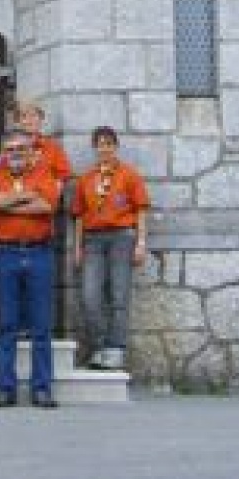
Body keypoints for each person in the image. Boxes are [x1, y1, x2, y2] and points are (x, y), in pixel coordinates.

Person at [0, 125, 62, 407]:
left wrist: (8, 204)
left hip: (39, 252)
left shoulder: (44, 174)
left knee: (41, 324)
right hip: (5, 253)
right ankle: (5, 388)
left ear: (31, 152)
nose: (15, 153)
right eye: (10, 149)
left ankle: (42, 388)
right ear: (3, 153)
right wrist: (27, 196)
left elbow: (47, 207)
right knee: (6, 324)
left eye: (21, 149)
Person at [71, 125, 150, 370]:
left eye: (108, 143)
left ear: (116, 146)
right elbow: (79, 216)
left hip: (122, 237)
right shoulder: (86, 178)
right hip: (92, 240)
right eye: (99, 144)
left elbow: (141, 209)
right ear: (94, 148)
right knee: (90, 296)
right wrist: (77, 247)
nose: (104, 148)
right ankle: (99, 346)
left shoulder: (129, 174)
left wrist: (141, 242)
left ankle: (115, 349)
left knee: (119, 295)